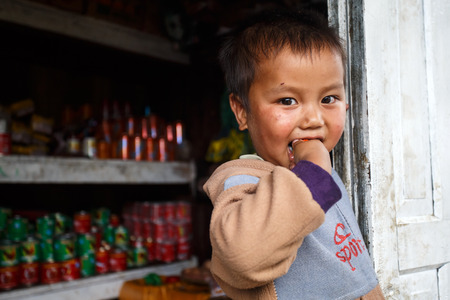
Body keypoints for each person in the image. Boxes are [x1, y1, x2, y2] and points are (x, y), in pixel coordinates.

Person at [203, 8, 385, 300]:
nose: (314, 119)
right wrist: (312, 171)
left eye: (329, 99)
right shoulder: (240, 181)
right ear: (242, 111)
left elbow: (355, 270)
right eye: (288, 100)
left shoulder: (325, 177)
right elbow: (242, 256)